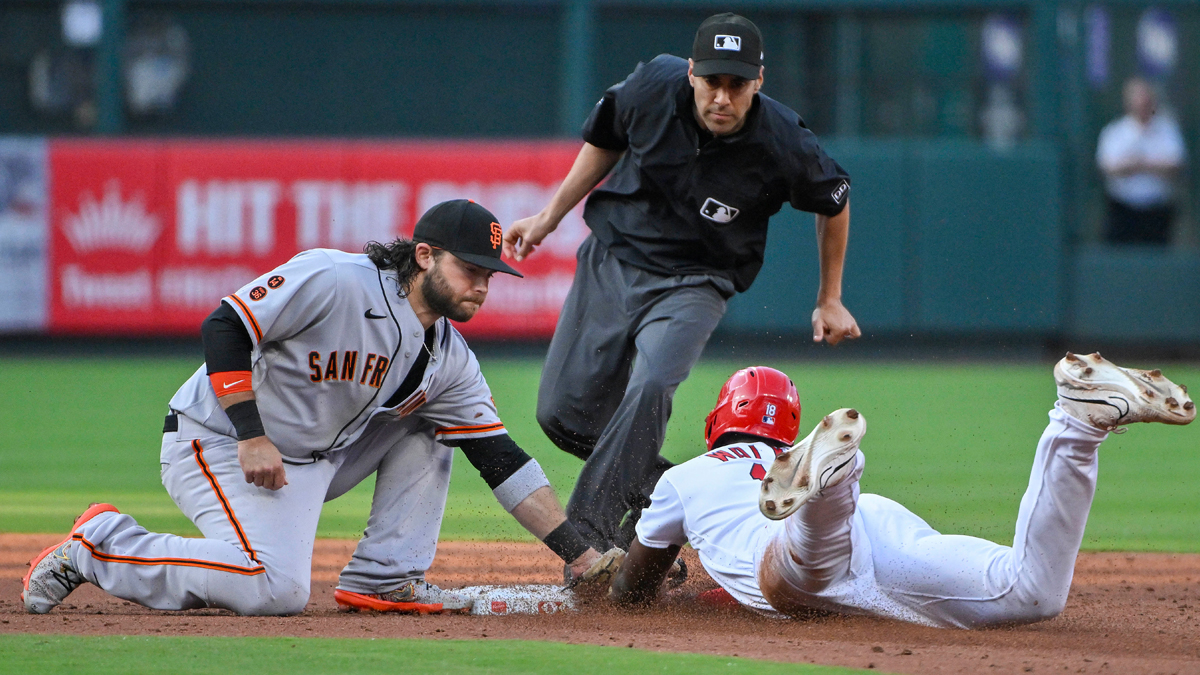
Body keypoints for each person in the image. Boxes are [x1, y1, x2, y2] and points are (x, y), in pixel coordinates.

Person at [22, 199, 617, 617]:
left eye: (490, 275)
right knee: (274, 590)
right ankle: (100, 543)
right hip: (218, 440)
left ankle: (386, 577)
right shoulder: (336, 279)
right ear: (425, 255)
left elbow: (499, 457)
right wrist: (249, 432)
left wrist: (582, 556)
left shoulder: (449, 358)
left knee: (439, 421)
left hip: (313, 461)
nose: (482, 286)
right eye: (470, 269)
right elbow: (225, 326)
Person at [503, 12, 861, 554]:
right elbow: (606, 138)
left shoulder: (782, 139)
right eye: (712, 80)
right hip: (613, 258)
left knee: (650, 387)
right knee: (562, 415)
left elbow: (834, 200)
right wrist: (549, 217)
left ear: (759, 82)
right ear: (691, 72)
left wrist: (829, 298)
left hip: (698, 280)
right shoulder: (651, 86)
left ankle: (589, 544)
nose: (722, 97)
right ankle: (684, 495)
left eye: (737, 84)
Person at [610, 356, 1195, 629]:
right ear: (787, 430)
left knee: (800, 575)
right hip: (876, 525)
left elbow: (630, 591)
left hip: (789, 553)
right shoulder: (762, 463)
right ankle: (1076, 422)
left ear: (716, 420)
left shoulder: (682, 478)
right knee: (1031, 593)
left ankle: (833, 481)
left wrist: (645, 579)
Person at [1096, 77, 1187, 245]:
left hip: (1157, 211)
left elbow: (1175, 164)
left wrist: (1139, 165)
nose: (1142, 105)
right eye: (1137, 100)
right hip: (1122, 209)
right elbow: (1109, 167)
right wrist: (1145, 166)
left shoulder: (1167, 130)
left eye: (1146, 100)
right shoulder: (1115, 132)